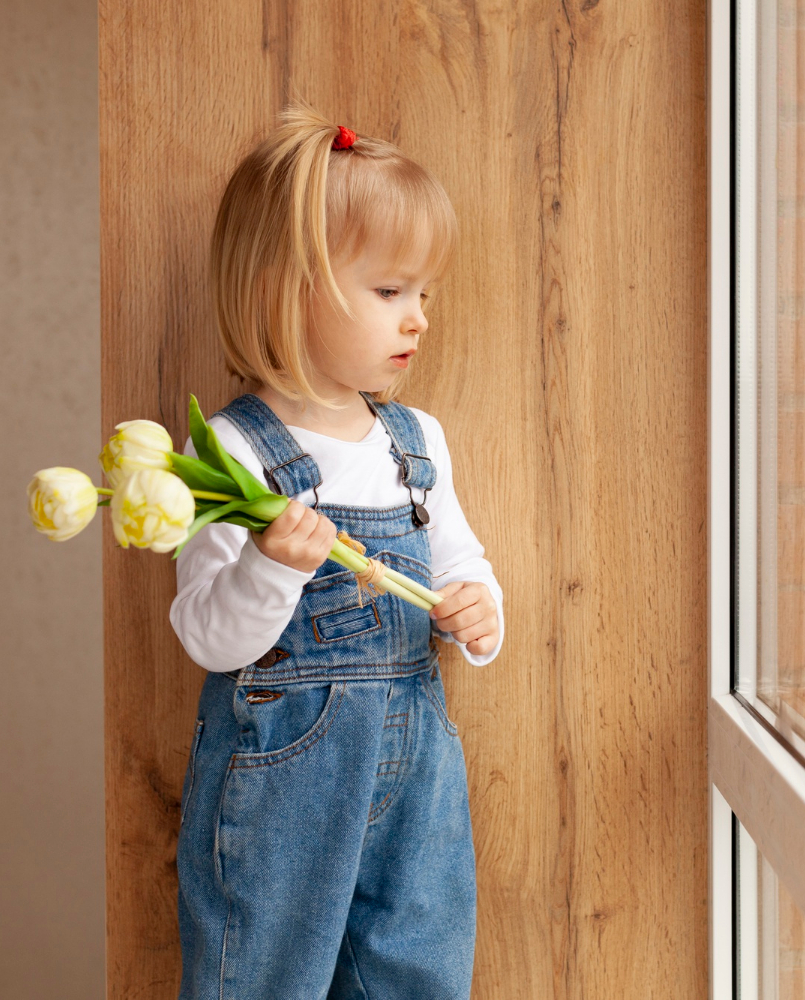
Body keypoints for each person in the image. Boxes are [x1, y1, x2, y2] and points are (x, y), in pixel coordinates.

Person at [168, 105, 503, 999]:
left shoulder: (415, 441)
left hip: (417, 779)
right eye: (390, 292)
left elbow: (457, 558)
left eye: (423, 294)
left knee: (418, 967)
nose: (419, 319)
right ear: (288, 286)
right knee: (265, 973)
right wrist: (273, 564)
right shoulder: (231, 453)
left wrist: (477, 609)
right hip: (286, 783)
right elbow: (207, 635)